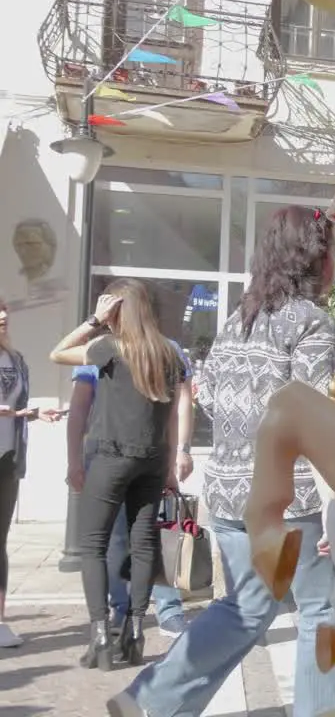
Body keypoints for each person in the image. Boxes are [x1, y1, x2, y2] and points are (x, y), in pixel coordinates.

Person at [108, 206, 335, 717]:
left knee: (246, 607)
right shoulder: (314, 325)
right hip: (294, 499)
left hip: (230, 494)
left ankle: (152, 698)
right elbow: (320, 421)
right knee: (323, 610)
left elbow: (212, 398)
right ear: (314, 258)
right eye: (332, 249)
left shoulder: (236, 321)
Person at [49, 279, 186, 669]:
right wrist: (172, 465)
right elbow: (172, 416)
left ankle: (100, 638)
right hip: (152, 460)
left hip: (111, 456)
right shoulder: (171, 354)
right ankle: (137, 631)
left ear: (118, 311)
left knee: (93, 545)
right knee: (143, 546)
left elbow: (57, 353)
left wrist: (95, 319)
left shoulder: (110, 348)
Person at [67, 338, 194, 640]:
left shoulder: (167, 348)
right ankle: (122, 611)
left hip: (149, 455)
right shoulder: (100, 349)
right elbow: (80, 406)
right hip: (108, 454)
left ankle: (166, 608)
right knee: (116, 539)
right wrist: (75, 459)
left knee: (154, 536)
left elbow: (182, 401)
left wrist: (182, 450)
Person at [0, 294, 63, 648]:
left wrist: (36, 413)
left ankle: (0, 621)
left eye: (5, 310)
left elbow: (16, 406)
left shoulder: (16, 359)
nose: (3, 315)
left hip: (8, 459)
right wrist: (15, 414)